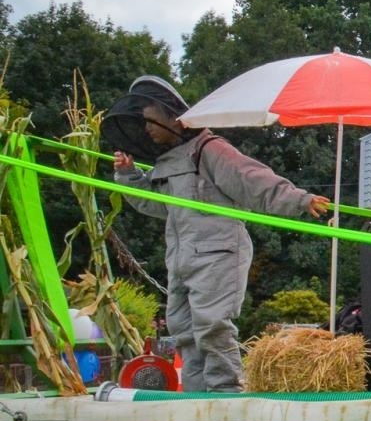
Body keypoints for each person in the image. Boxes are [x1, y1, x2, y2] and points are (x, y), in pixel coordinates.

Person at [106, 75, 331, 393]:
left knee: (212, 325)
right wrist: (128, 174)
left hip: (218, 253)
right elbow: (155, 204)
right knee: (183, 330)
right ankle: (197, 399)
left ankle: (226, 393)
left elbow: (252, 179)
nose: (146, 129)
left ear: (173, 117)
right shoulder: (168, 163)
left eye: (150, 121)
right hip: (181, 257)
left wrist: (300, 200)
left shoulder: (210, 150)